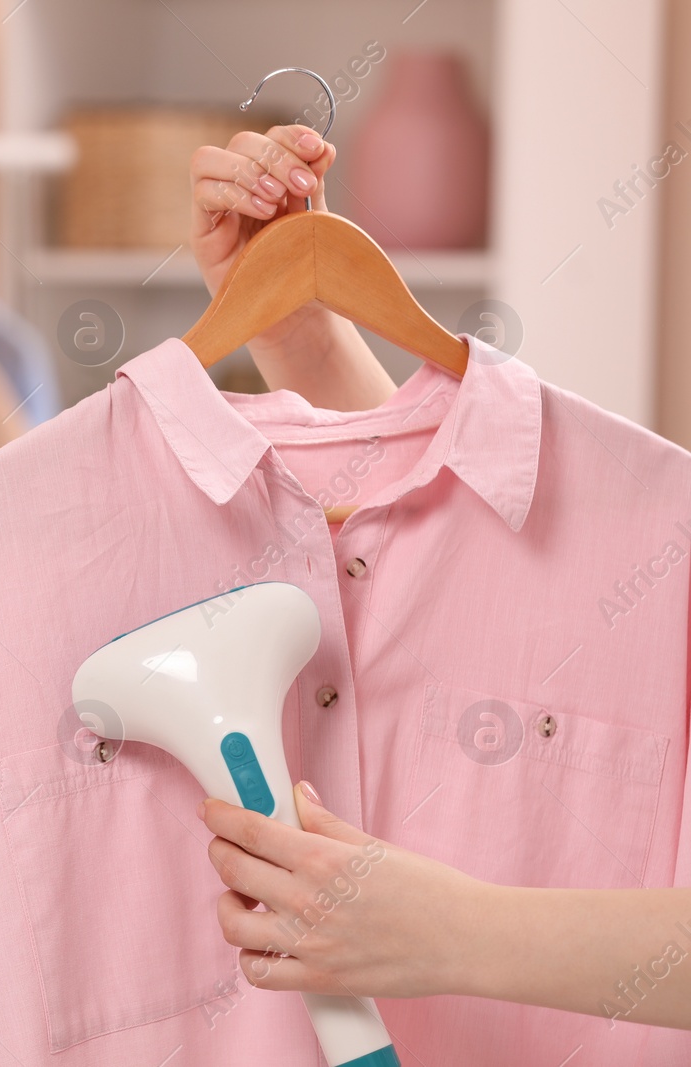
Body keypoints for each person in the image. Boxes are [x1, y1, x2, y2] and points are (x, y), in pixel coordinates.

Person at [190, 124, 691, 1031]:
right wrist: (303, 332)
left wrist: (454, 932)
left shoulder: (665, 540)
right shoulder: (2, 537)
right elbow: (430, 531)